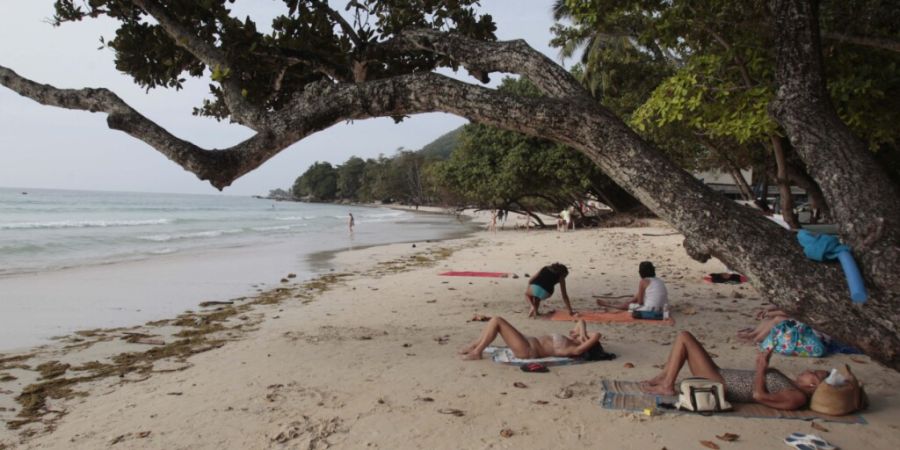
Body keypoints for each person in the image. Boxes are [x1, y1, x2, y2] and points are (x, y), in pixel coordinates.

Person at [641, 331, 828, 410]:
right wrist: (765, 363)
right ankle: (664, 377)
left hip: (722, 384)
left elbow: (759, 396)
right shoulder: (792, 385)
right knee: (684, 338)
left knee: (685, 337)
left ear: (813, 385)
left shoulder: (797, 397)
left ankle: (667, 384)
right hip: (722, 375)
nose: (808, 370)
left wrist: (761, 369)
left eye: (813, 373)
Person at [459, 317, 604, 360]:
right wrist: (583, 334)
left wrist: (584, 337)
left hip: (528, 350)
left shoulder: (574, 349)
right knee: (493, 322)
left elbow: (597, 335)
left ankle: (477, 351)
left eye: (587, 340)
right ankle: (475, 346)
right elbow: (580, 321)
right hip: (528, 341)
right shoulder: (574, 339)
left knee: (497, 321)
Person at [596, 261, 668, 314]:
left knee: (629, 305)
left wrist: (633, 301)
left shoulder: (643, 281)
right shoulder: (659, 280)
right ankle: (627, 302)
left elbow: (640, 302)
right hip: (663, 309)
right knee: (636, 297)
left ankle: (608, 305)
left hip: (651, 310)